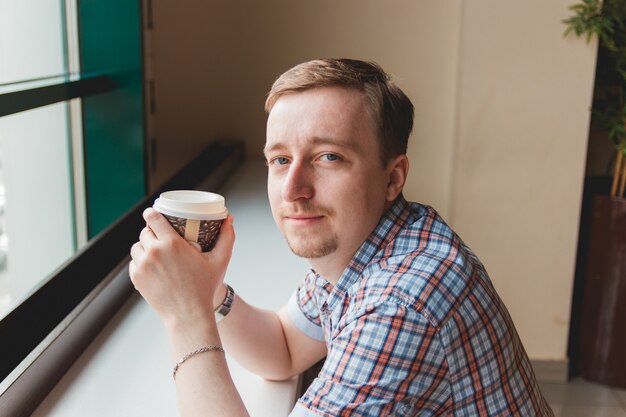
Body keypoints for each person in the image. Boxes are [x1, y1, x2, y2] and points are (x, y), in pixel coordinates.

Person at [129, 58, 554, 416]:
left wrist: (186, 317)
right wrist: (210, 292)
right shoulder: (368, 245)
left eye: (328, 157)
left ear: (393, 178)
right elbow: (283, 349)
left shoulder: (400, 302)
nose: (293, 189)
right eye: (279, 159)